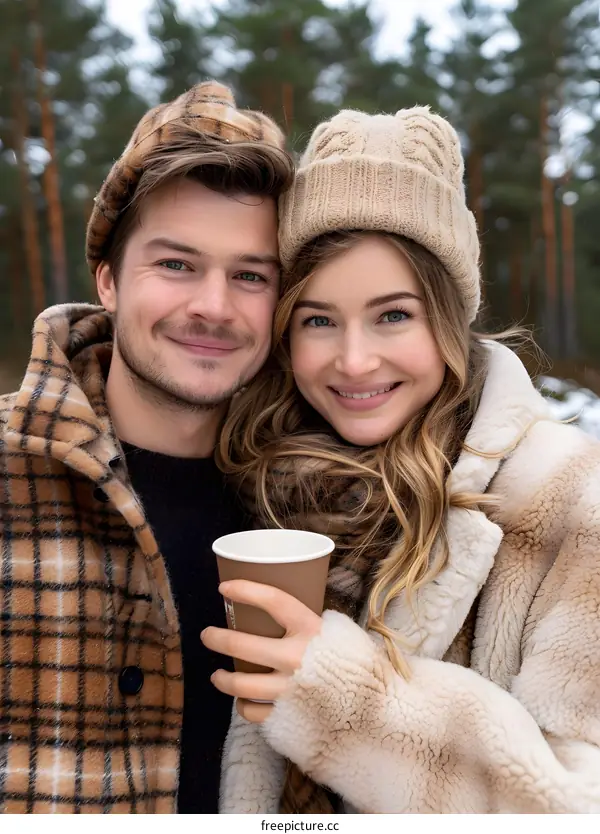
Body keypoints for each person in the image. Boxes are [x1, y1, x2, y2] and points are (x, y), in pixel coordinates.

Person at [205, 106, 600, 813]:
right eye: (319, 320)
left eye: (393, 314)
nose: (354, 361)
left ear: (447, 319)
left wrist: (343, 700)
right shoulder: (259, 477)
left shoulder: (570, 498)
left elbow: (578, 806)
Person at [0, 81, 293, 813]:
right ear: (107, 280)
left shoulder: (318, 506)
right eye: (176, 265)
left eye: (250, 275)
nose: (213, 307)